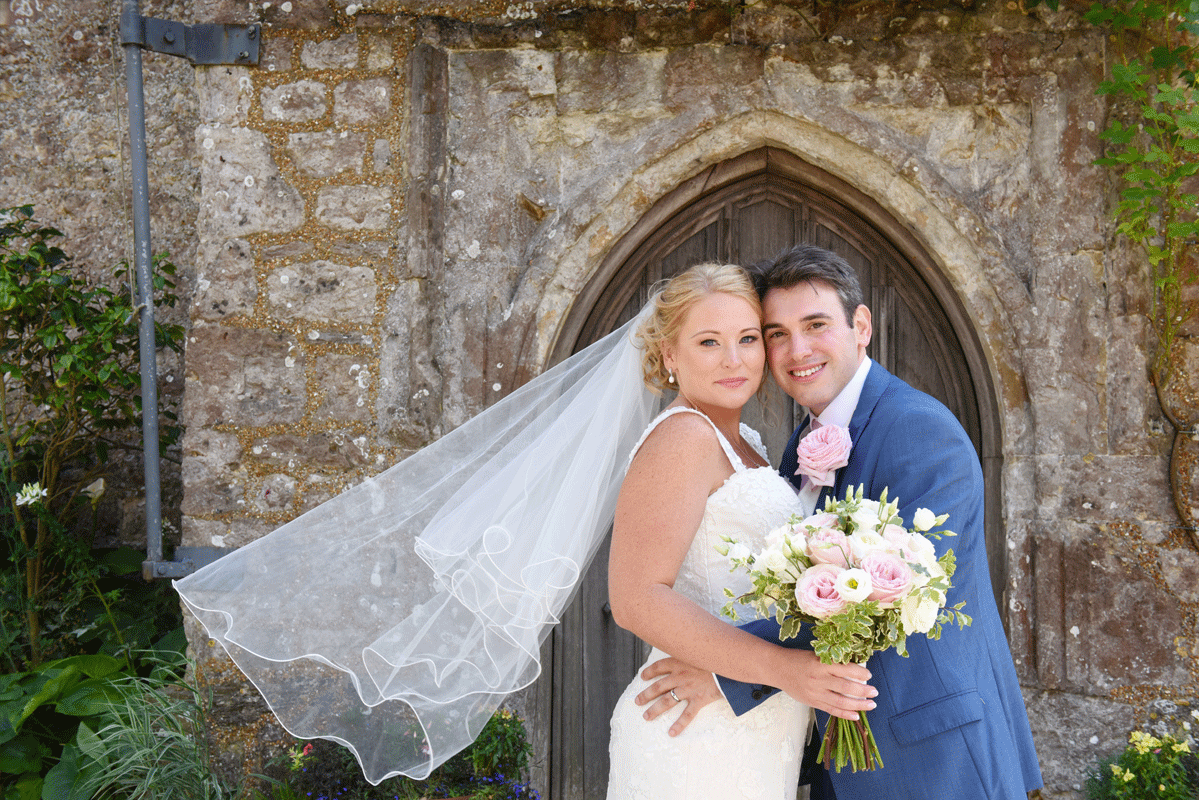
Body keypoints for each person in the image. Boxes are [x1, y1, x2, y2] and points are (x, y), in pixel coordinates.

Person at [640, 244, 1043, 799]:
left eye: (816, 324)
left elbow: (882, 597)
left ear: (861, 326)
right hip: (842, 756)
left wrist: (724, 671)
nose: (796, 349)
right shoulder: (795, 449)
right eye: (776, 333)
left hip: (931, 754)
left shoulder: (917, 428)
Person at [605, 263, 876, 800]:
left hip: (747, 727)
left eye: (748, 338)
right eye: (709, 342)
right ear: (669, 355)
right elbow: (635, 599)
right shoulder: (684, 437)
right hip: (693, 734)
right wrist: (785, 669)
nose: (734, 360)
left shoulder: (747, 440)